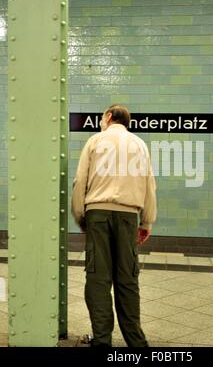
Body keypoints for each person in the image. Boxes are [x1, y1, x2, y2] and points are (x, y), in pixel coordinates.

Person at [71, 104, 157, 347]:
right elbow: (149, 184)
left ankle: (102, 341)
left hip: (97, 213)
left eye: (102, 117)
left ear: (109, 117)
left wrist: (81, 216)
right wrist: (147, 221)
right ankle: (136, 343)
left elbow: (80, 181)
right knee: (127, 279)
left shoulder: (95, 141)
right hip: (129, 216)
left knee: (98, 278)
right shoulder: (139, 144)